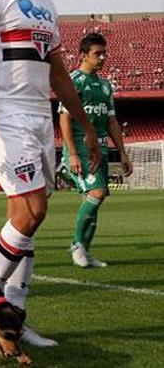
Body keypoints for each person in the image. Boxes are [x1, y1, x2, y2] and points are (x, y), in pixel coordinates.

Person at [0, 0, 101, 346]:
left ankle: (14, 319)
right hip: (4, 115)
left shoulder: (45, 4)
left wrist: (87, 127)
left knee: (26, 216)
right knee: (33, 209)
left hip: (40, 116)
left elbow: (58, 72)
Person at [59, 33, 133, 268]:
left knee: (96, 198)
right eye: (97, 54)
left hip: (99, 149)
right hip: (79, 148)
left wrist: (122, 153)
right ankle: (77, 245)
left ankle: (85, 249)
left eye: (104, 53)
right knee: (96, 193)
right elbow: (64, 118)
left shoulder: (104, 85)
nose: (102, 57)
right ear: (83, 55)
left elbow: (112, 122)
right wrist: (71, 153)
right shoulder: (74, 81)